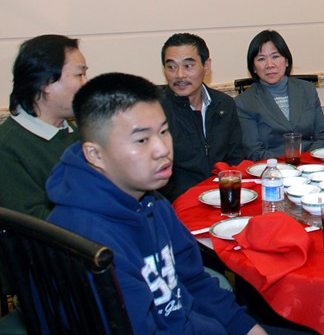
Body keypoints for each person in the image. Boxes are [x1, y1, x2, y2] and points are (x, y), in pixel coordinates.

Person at [46, 73, 267, 335]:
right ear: (95, 154)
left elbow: (194, 280)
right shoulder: (87, 240)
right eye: (142, 140)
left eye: (164, 131)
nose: (162, 149)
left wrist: (246, 327)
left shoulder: (152, 200)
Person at [0, 35, 87, 219]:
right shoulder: (7, 149)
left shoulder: (76, 133)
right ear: (46, 82)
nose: (85, 83)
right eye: (79, 75)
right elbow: (33, 224)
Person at [158, 33, 245, 201]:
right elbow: (156, 173)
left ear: (206, 66)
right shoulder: (156, 111)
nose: (179, 75)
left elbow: (236, 158)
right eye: (171, 67)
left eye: (188, 66)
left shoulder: (224, 104)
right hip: (179, 202)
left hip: (223, 196)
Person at [236, 30, 324, 160]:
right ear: (253, 67)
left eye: (275, 56)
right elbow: (255, 152)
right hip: (272, 169)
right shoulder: (244, 102)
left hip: (311, 164)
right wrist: (290, 164)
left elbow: (323, 136)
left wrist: (306, 162)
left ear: (286, 61)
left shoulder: (307, 90)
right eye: (261, 59)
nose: (269, 65)